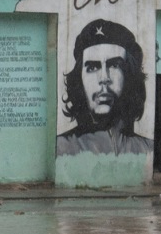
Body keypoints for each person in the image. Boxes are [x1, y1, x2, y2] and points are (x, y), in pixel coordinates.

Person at [57, 19, 155, 157]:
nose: (104, 78)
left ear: (130, 75)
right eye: (92, 67)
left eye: (114, 65)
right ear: (79, 79)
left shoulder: (147, 150)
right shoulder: (61, 150)